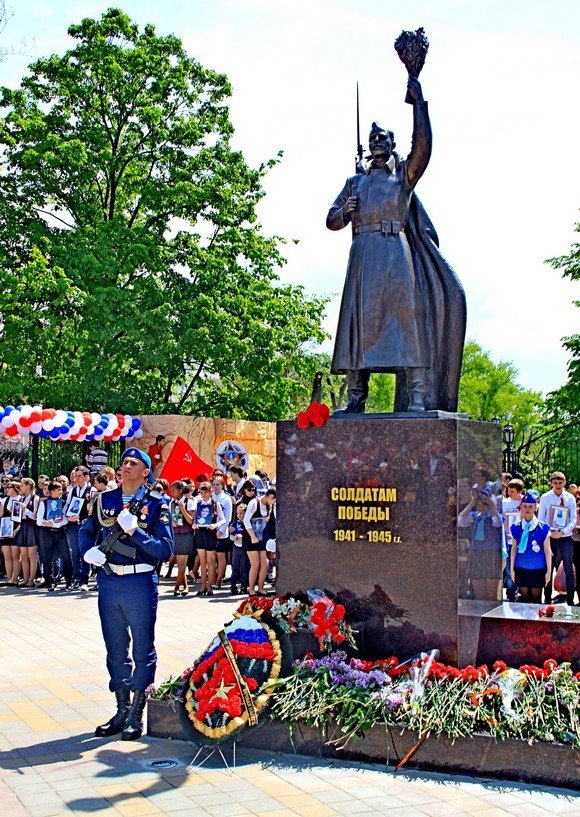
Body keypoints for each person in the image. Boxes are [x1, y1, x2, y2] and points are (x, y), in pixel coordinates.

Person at [326, 76, 465, 413]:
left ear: (391, 143)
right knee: (356, 328)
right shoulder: (354, 182)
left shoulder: (402, 176)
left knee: (406, 324)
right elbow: (331, 219)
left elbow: (423, 148)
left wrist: (419, 104)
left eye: (382, 136)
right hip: (362, 256)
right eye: (372, 137)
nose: (376, 140)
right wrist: (346, 211)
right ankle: (355, 397)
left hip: (395, 256)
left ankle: (418, 394)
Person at [79, 448, 173, 740]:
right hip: (109, 583)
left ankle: (137, 714)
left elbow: (165, 549)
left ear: (146, 471)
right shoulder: (103, 500)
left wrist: (137, 533)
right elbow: (85, 530)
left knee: (142, 649)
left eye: (133, 463)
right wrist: (87, 551)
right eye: (124, 463)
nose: (126, 466)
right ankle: (122, 709)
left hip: (141, 582)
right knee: (115, 647)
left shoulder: (157, 504)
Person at [538, 472, 577, 606]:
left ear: (564, 483)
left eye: (560, 482)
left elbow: (573, 519)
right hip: (550, 537)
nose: (558, 485)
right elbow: (541, 518)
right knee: (549, 568)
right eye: (555, 483)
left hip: (565, 538)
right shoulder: (545, 497)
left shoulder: (570, 497)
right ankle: (547, 599)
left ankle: (571, 601)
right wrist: (550, 532)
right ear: (551, 483)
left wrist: (563, 532)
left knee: (568, 569)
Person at [510, 492, 551, 603]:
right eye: (525, 506)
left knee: (536, 599)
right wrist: (512, 569)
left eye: (530, 506)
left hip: (538, 568)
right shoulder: (515, 527)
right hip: (521, 567)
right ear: (521, 507)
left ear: (535, 508)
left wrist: (549, 571)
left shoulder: (544, 527)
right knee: (523, 599)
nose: (527, 509)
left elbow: (547, 551)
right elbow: (513, 549)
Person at [191, 481, 226, 596]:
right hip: (200, 532)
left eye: (206, 491)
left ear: (211, 491)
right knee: (202, 561)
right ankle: (202, 586)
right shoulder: (198, 503)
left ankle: (210, 587)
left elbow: (223, 519)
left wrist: (215, 525)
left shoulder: (215, 504)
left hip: (210, 533)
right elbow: (194, 518)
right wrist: (194, 524)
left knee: (210, 561)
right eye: (202, 491)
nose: (204, 494)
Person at [37, 481, 73, 591]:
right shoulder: (44, 503)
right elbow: (39, 521)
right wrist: (50, 522)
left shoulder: (63, 502)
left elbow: (65, 520)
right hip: (48, 533)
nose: (61, 491)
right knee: (48, 557)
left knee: (66, 556)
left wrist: (56, 523)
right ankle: (49, 581)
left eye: (62, 489)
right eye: (59, 490)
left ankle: (68, 581)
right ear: (52, 491)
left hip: (60, 532)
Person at [63, 466, 94, 592]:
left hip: (85, 525)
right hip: (73, 525)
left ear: (86, 477)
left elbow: (94, 508)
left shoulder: (92, 490)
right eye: (75, 476)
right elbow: (67, 506)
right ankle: (76, 579)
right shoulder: (72, 491)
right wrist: (67, 516)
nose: (76, 478)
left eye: (79, 476)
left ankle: (84, 580)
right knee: (75, 553)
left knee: (84, 553)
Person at [243, 487, 277, 596]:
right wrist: (252, 536)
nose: (274, 502)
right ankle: (251, 589)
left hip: (261, 536)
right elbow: (246, 520)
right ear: (270, 497)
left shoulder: (268, 505)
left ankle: (261, 588)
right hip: (250, 536)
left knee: (265, 564)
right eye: (274, 500)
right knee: (255, 564)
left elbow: (265, 518)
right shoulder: (254, 502)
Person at [169, 480, 195, 596]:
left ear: (180, 491)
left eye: (173, 491)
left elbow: (191, 520)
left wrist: (182, 508)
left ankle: (176, 587)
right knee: (179, 563)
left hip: (186, 534)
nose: (171, 493)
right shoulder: (171, 502)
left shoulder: (189, 502)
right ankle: (185, 586)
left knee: (182, 564)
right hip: (176, 533)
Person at [16, 478, 39, 588]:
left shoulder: (35, 498)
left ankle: (31, 579)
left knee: (31, 555)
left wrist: (25, 510)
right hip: (23, 525)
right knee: (23, 555)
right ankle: (25, 578)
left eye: (22, 485)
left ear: (28, 486)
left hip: (31, 526)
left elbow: (35, 515)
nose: (21, 487)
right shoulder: (22, 498)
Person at [212, 475, 233, 588]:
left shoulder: (226, 498)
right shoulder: (210, 496)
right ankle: (213, 577)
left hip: (221, 530)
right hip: (211, 529)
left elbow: (228, 516)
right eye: (214, 484)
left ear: (222, 486)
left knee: (221, 556)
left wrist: (222, 530)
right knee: (212, 556)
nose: (215, 487)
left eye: (218, 484)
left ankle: (219, 579)